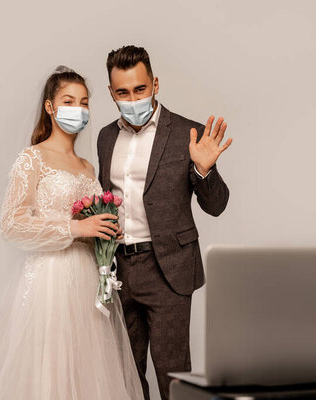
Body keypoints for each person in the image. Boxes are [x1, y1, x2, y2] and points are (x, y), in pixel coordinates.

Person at [0, 65, 145, 400]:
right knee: (48, 370)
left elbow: (91, 223)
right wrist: (75, 227)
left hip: (86, 280)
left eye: (84, 103)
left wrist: (104, 232)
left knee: (89, 368)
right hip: (49, 281)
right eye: (69, 101)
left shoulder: (87, 167)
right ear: (50, 108)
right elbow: (11, 224)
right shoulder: (32, 159)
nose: (78, 110)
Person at [97, 45, 232, 400]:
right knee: (125, 374)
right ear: (111, 93)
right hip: (119, 270)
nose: (132, 99)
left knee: (172, 375)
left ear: (155, 84)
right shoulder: (106, 137)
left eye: (140, 89)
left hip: (169, 269)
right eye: (122, 92)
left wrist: (203, 170)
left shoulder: (189, 133)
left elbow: (216, 206)